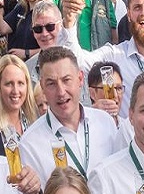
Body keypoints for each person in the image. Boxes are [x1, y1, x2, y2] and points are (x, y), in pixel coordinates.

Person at [18, 46, 124, 183]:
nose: (61, 92)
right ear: (42, 87)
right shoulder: (30, 144)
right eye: (51, 84)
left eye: (66, 80)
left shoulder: (105, 123)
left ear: (80, 79)